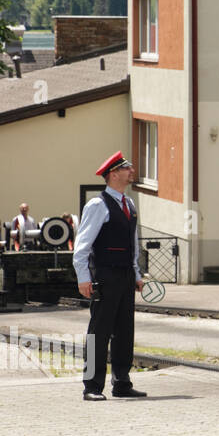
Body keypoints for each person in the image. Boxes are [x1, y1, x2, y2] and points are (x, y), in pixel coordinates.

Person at [73, 152, 145, 401]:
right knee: (99, 331)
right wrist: (83, 277)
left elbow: (133, 244)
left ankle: (122, 382)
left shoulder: (130, 204)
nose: (131, 172)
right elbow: (82, 246)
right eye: (127, 169)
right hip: (105, 275)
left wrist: (136, 273)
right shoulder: (97, 205)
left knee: (125, 330)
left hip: (125, 275)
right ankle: (92, 387)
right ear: (113, 174)